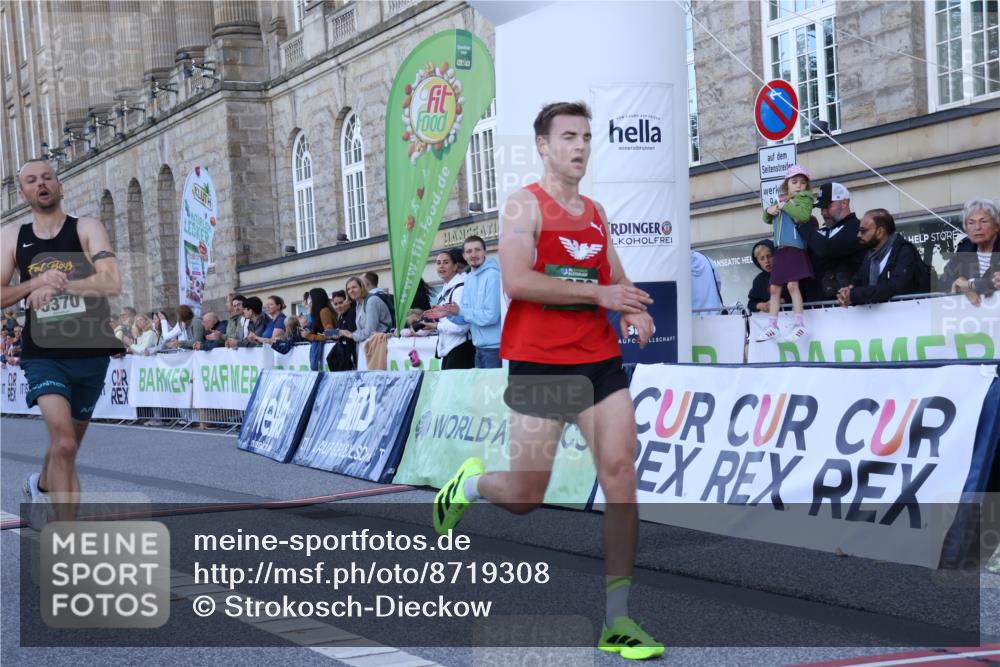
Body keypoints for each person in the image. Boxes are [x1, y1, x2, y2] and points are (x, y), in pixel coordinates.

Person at [432, 102, 662, 660]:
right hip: (542, 363)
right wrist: (599, 294)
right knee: (525, 496)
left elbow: (615, 276)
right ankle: (469, 486)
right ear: (543, 145)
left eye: (586, 137)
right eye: (568, 137)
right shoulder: (524, 205)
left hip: (599, 362)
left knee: (620, 473)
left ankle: (617, 619)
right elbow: (517, 280)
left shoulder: (596, 212)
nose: (580, 147)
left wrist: (632, 309)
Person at [2, 159, 123, 528]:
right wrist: (35, 283)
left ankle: (41, 484)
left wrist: (61, 285)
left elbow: (111, 281)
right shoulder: (12, 237)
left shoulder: (86, 228)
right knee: (65, 442)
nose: (41, 184)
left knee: (66, 446)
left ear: (60, 186)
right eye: (32, 180)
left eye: (47, 178)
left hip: (90, 350)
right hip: (44, 354)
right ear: (22, 193)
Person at [758, 164, 815, 342]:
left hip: (795, 247)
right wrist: (769, 210)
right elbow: (767, 218)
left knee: (792, 285)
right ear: (787, 184)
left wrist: (785, 206)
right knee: (774, 288)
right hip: (780, 248)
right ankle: (772, 326)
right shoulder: (781, 200)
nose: (799, 186)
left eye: (802, 183)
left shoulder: (804, 199)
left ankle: (800, 324)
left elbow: (803, 216)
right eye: (794, 182)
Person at [431, 236, 501, 368]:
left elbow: (491, 316)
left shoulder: (493, 275)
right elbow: (465, 319)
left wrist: (460, 312)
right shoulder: (469, 279)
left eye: (477, 250)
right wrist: (449, 313)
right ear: (464, 255)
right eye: (469, 251)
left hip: (494, 348)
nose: (473, 255)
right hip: (478, 348)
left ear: (485, 251)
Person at [836, 209, 930, 307]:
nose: (858, 235)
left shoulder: (904, 251)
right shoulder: (870, 255)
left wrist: (854, 295)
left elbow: (896, 287)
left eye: (863, 231)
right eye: (859, 231)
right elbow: (858, 281)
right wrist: (847, 292)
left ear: (879, 232)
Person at [798, 182, 866, 300]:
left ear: (844, 203)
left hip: (846, 303)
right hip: (817, 303)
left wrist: (803, 225)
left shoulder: (856, 227)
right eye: (821, 208)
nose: (823, 212)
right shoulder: (823, 232)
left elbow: (826, 249)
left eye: (827, 207)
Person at [941, 197, 999, 306]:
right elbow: (943, 281)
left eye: (984, 221)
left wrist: (968, 285)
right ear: (966, 229)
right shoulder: (965, 249)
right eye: (971, 223)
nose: (977, 227)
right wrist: (957, 283)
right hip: (973, 315)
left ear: (997, 226)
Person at [427, 248, 475, 369]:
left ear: (455, 267)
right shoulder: (446, 289)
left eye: (446, 262)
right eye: (438, 263)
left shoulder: (460, 289)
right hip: (450, 350)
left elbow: (461, 327)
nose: (441, 266)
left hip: (461, 350)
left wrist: (436, 326)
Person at [341, 276, 393, 345]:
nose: (351, 291)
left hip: (382, 343)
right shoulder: (359, 304)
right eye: (348, 289)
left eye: (354, 287)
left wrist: (351, 335)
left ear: (361, 287)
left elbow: (369, 332)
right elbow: (361, 330)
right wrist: (342, 333)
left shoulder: (371, 301)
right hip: (371, 344)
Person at [747, 240, 790, 312]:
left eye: (769, 256)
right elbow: (751, 304)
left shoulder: (789, 273)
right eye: (762, 258)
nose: (766, 261)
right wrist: (761, 305)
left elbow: (803, 295)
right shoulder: (758, 280)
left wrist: (781, 301)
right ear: (758, 261)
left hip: (791, 316)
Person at [302, 287, 337, 371]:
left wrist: (311, 336)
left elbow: (331, 333)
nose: (309, 301)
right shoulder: (321, 311)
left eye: (310, 298)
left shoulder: (324, 311)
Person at [326, 289, 357, 371]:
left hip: (353, 355)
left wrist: (337, 333)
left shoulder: (353, 313)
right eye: (335, 304)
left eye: (341, 302)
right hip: (345, 356)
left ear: (348, 301)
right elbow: (334, 333)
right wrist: (332, 333)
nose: (338, 306)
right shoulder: (341, 315)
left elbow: (350, 332)